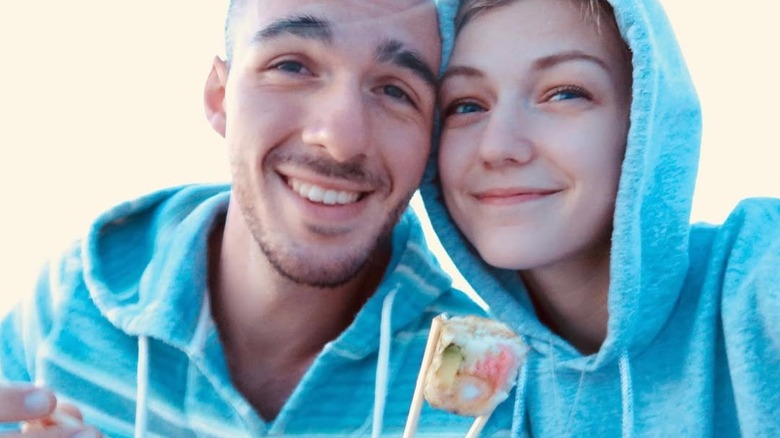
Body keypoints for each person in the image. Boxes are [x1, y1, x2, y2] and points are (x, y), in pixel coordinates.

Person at [0, 0, 489, 436]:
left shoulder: (482, 389)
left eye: (396, 91)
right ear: (220, 98)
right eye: (292, 66)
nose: (340, 139)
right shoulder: (74, 299)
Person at [422, 0, 780, 435]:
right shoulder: (482, 393)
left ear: (644, 121)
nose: (497, 146)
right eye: (465, 105)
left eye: (565, 93)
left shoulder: (757, 275)